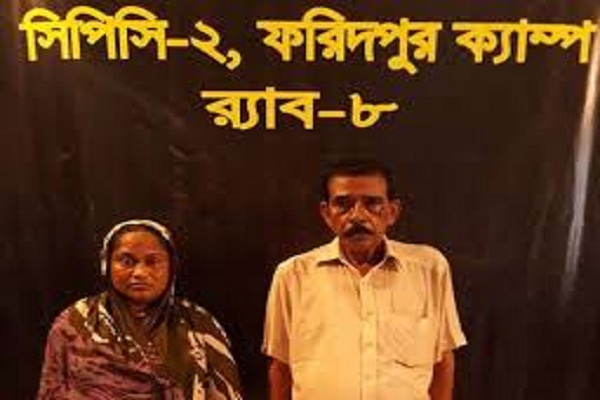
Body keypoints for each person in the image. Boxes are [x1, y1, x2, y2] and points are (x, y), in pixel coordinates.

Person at [262, 159, 467, 400]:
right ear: (326, 213)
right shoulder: (293, 276)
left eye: (372, 203)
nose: (358, 215)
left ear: (392, 212)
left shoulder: (429, 269)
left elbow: (442, 361)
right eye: (343, 204)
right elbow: (281, 367)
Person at [38, 219, 243, 399]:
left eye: (152, 261)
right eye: (126, 261)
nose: (140, 272)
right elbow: (51, 392)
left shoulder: (199, 325)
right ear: (106, 264)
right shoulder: (74, 322)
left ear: (171, 267)